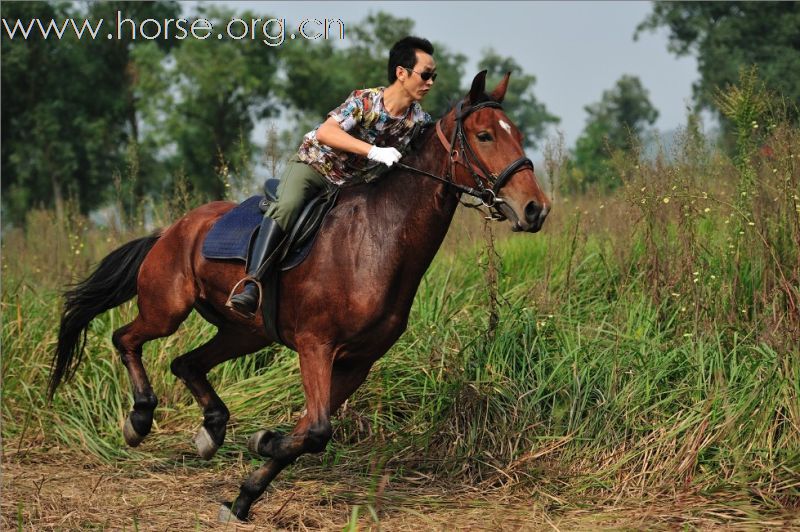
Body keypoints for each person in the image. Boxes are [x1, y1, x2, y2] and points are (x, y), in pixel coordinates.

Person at [226, 36, 437, 317]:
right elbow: (327, 132)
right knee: (287, 207)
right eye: (425, 75)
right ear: (401, 73)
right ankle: (251, 284)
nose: (430, 82)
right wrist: (374, 151)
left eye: (433, 76)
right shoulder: (365, 101)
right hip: (315, 168)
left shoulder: (419, 121)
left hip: (351, 187)